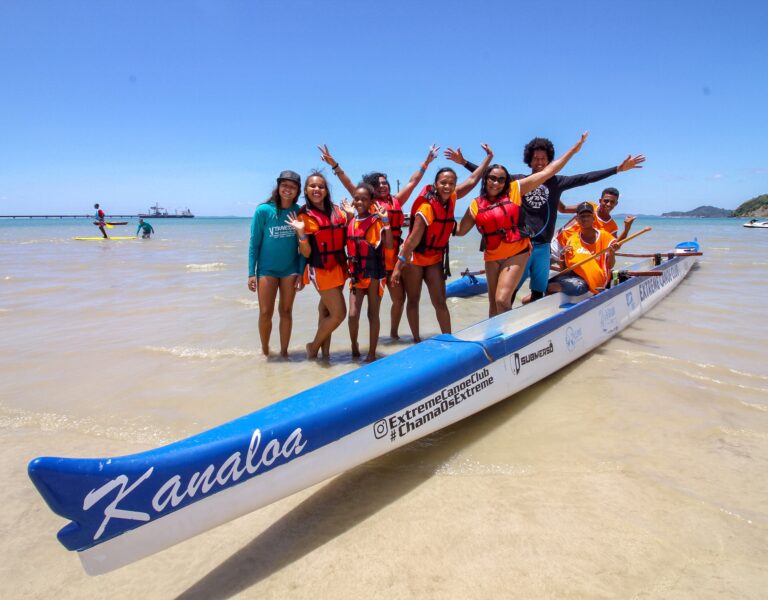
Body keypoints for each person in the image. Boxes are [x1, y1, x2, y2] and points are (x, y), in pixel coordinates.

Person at [447, 138, 644, 304]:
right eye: (536, 159)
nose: (540, 162)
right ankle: (503, 325)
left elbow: (586, 178)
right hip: (520, 247)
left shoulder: (557, 182)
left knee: (538, 290)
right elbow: (491, 177)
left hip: (543, 248)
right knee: (509, 292)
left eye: (543, 159)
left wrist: (617, 169)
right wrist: (464, 163)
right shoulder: (518, 183)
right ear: (529, 160)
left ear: (549, 160)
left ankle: (534, 322)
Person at [454, 133, 590, 316]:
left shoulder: (514, 189)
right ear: (485, 179)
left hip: (519, 252)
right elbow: (460, 230)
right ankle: (495, 332)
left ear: (506, 182)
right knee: (494, 303)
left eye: (501, 180)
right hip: (492, 255)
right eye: (492, 178)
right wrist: (440, 217)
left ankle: (515, 329)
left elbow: (551, 172)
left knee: (503, 299)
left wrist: (574, 149)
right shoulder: (476, 204)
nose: (496, 183)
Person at [318, 144, 438, 340]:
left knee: (399, 299)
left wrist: (426, 162)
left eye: (385, 183)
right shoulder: (370, 204)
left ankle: (393, 334)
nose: (383, 186)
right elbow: (349, 183)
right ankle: (361, 345)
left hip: (395, 262)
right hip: (376, 264)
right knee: (367, 310)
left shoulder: (396, 200)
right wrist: (335, 165)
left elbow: (413, 182)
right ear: (372, 188)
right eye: (379, 184)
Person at [391, 145, 493, 342]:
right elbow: (411, 240)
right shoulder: (426, 207)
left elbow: (472, 180)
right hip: (414, 260)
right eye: (443, 182)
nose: (448, 186)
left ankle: (449, 338)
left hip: (434, 259)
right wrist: (398, 267)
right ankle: (416, 340)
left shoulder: (452, 197)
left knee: (440, 301)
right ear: (436, 184)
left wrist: (488, 158)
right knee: (413, 300)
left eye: (451, 183)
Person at [286, 172, 350, 359]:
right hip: (322, 269)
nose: (317, 189)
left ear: (326, 190)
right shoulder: (303, 216)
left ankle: (325, 355)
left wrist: (351, 216)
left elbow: (348, 236)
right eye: (312, 186)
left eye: (321, 186)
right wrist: (301, 234)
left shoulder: (337, 210)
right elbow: (306, 253)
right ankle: (313, 347)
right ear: (305, 190)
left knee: (326, 311)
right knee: (339, 314)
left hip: (340, 266)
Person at [248, 170, 306, 357]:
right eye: (284, 185)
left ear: (298, 190)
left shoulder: (299, 212)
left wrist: (301, 272)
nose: (288, 189)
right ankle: (265, 350)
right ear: (278, 187)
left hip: (290, 270)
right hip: (267, 270)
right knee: (265, 313)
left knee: (286, 311)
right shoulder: (263, 211)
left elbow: (303, 246)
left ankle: (284, 353)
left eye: (292, 187)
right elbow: (254, 243)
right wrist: (251, 273)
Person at [345, 184, 393, 361]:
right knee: (352, 315)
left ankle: (372, 353)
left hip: (374, 274)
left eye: (364, 199)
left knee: (372, 314)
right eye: (357, 198)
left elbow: (389, 245)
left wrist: (386, 221)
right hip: (356, 275)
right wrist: (349, 215)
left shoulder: (377, 221)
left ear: (371, 201)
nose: (360, 202)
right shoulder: (351, 221)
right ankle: (354, 345)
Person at [549, 202, 618, 296]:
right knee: (542, 285)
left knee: (554, 287)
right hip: (573, 278)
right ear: (577, 219)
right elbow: (564, 270)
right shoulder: (572, 240)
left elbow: (610, 265)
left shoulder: (605, 237)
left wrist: (612, 253)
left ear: (593, 218)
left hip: (593, 283)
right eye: (582, 216)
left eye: (588, 216)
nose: (585, 219)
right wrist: (562, 256)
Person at [560, 187, 635, 241]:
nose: (608, 204)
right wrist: (554, 192)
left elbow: (614, 246)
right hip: (559, 243)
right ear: (600, 200)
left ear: (616, 203)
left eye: (612, 202)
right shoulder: (588, 206)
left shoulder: (612, 226)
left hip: (575, 251)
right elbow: (563, 209)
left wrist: (626, 229)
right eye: (606, 201)